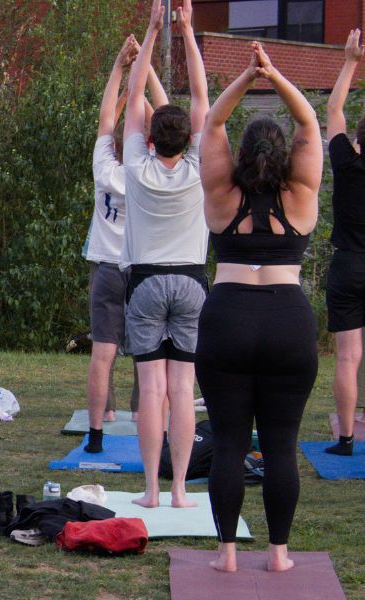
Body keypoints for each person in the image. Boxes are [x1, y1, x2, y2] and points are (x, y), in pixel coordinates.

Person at [198, 43, 320, 573]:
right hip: (287, 320)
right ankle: (278, 556)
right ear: (285, 155)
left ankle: (226, 554)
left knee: (228, 440)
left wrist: (247, 77)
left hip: (227, 316)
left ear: (242, 156)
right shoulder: (302, 190)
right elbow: (310, 120)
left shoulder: (222, 191)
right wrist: (274, 73)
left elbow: (212, 124)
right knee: (280, 443)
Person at [119, 0, 209, 509]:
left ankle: (152, 490)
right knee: (183, 389)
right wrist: (188, 30)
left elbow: (134, 95)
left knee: (151, 391)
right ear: (189, 139)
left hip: (147, 281)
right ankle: (178, 490)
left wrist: (154, 31)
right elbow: (199, 93)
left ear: (150, 139)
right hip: (192, 283)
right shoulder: (199, 164)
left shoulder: (136, 163)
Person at [83, 36, 169, 454]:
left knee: (103, 353)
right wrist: (146, 69)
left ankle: (96, 436)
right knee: (147, 357)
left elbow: (106, 121)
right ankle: (146, 427)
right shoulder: (150, 173)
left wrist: (120, 67)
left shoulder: (106, 170)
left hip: (106, 269)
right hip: (142, 269)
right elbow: (165, 119)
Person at [325, 29, 365, 457]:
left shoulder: (347, 164)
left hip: (349, 265)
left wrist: (351, 60)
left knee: (348, 358)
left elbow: (333, 107)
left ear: (358, 142)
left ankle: (347, 441)